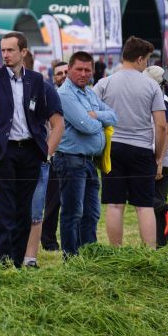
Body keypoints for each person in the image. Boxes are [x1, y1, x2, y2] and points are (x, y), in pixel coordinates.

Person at [0, 32, 63, 268]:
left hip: (30, 151)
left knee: (24, 210)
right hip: (4, 151)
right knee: (5, 209)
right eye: (3, 50)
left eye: (10, 50)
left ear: (23, 52)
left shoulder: (37, 81)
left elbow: (47, 118)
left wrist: (44, 151)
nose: (5, 55)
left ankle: (17, 262)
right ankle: (3, 260)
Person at [93, 36, 166, 248]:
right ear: (140, 59)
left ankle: (116, 252)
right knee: (144, 206)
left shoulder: (105, 83)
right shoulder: (152, 86)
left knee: (115, 205)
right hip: (142, 150)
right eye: (148, 61)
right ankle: (150, 253)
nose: (147, 65)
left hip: (112, 148)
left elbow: (89, 112)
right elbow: (161, 126)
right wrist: (158, 157)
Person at [54, 51, 117, 258]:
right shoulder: (65, 94)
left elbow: (114, 116)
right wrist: (98, 121)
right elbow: (86, 126)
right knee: (73, 213)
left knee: (91, 214)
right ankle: (70, 258)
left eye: (87, 70)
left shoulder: (89, 93)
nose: (83, 74)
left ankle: (89, 256)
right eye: (79, 69)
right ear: (69, 69)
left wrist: (96, 115)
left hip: (90, 162)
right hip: (71, 161)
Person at [21, 52, 64, 268]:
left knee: (36, 210)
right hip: (11, 156)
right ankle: (2, 255)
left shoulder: (45, 89)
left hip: (38, 157)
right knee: (8, 208)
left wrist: (46, 154)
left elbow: (58, 125)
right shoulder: (2, 86)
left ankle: (30, 257)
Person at [143, 66, 168, 248]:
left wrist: (158, 161)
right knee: (157, 208)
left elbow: (164, 131)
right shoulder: (163, 99)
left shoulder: (161, 102)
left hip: (161, 160)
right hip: (167, 159)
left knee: (138, 195)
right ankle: (161, 246)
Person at [41, 61, 69, 251]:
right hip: (55, 154)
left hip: (75, 154)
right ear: (54, 77)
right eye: (59, 73)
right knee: (53, 201)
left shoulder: (83, 95)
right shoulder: (50, 96)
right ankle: (48, 239)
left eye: (66, 71)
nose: (63, 76)